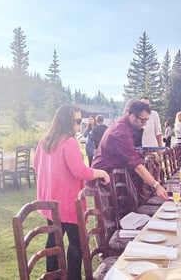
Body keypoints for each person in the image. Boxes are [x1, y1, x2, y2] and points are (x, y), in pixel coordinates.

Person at [34, 104, 110, 279]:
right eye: (77, 121)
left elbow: (36, 165)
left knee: (53, 243)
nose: (79, 125)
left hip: (50, 203)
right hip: (68, 204)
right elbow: (81, 172)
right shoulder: (69, 142)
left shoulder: (45, 140)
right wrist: (102, 172)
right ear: (68, 122)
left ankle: (53, 276)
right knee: (75, 245)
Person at [92, 100, 168, 200]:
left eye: (146, 120)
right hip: (104, 179)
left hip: (116, 177)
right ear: (132, 116)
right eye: (143, 120)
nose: (144, 124)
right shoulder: (120, 130)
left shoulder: (127, 125)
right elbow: (136, 164)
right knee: (112, 214)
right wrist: (156, 185)